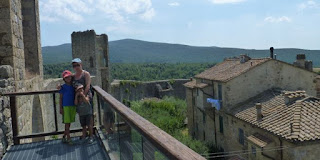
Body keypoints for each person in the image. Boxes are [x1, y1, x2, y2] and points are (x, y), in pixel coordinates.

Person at [59, 70, 76, 145]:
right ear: (64, 79)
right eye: (66, 78)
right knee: (67, 123)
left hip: (72, 106)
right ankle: (68, 138)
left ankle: (64, 136)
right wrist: (61, 108)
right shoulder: (63, 87)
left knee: (69, 123)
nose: (68, 79)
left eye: (69, 77)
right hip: (65, 106)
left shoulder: (73, 86)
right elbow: (60, 98)